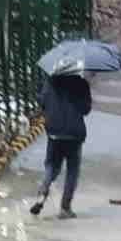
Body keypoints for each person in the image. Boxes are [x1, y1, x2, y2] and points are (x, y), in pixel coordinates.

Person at [31, 71, 94, 219]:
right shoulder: (81, 83)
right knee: (72, 171)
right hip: (74, 134)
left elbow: (42, 102)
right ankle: (65, 208)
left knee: (51, 166)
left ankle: (42, 193)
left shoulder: (50, 82)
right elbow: (86, 109)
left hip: (54, 132)